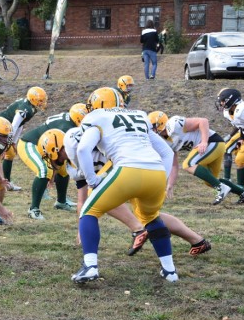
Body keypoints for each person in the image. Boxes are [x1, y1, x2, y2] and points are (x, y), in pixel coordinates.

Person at [40, 123, 212, 258]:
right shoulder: (73, 163)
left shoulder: (82, 141)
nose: (53, 160)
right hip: (135, 169)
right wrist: (82, 228)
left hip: (134, 166)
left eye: (50, 155)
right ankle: (197, 241)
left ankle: (138, 229)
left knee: (100, 192)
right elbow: (82, 200)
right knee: (147, 215)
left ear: (56, 147)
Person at [72, 87, 179, 283]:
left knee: (88, 211)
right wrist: (161, 179)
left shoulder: (96, 117)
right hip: (155, 172)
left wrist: (92, 180)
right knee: (151, 218)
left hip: (127, 170)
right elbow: (167, 153)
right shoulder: (139, 115)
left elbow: (83, 149)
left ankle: (90, 266)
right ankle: (170, 272)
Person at [148, 111, 244, 205]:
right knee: (210, 181)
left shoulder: (175, 123)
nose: (151, 130)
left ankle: (221, 188)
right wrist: (170, 185)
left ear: (160, 123)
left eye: (153, 126)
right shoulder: (163, 141)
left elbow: (203, 121)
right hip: (212, 147)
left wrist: (204, 141)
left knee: (188, 164)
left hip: (212, 142)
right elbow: (174, 164)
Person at [17, 104, 84, 220]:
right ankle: (33, 209)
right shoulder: (67, 128)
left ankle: (61, 202)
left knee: (65, 170)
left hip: (48, 146)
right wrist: (52, 175)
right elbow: (55, 153)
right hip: (30, 143)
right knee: (45, 170)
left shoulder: (71, 121)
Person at [0, 86, 48, 191]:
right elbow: (14, 125)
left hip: (5, 127)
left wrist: (14, 142)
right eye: (40, 100)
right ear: (33, 99)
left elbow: (20, 125)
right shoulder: (26, 109)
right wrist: (8, 142)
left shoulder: (31, 107)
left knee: (10, 154)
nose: (42, 103)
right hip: (0, 127)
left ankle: (7, 182)